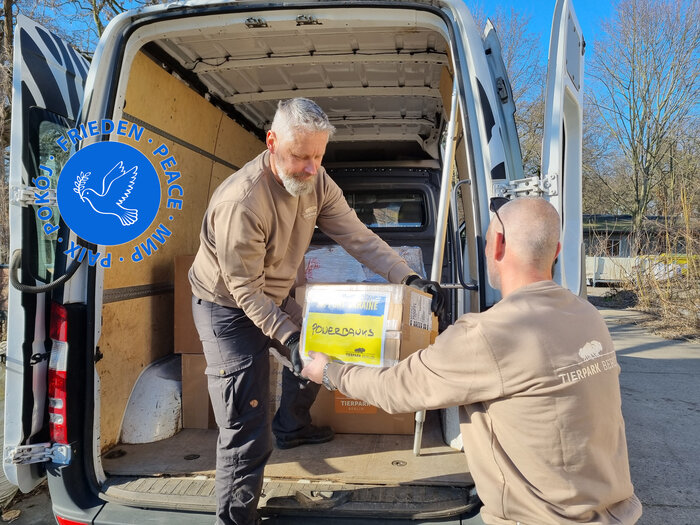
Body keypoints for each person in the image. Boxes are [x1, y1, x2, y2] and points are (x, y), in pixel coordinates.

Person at [303, 197, 643, 525]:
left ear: (498, 245)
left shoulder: (493, 332)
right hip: (614, 512)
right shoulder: (587, 315)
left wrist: (329, 372)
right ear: (555, 252)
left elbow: (396, 389)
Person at [188, 97, 445, 525]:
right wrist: (290, 338)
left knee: (324, 345)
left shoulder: (316, 181)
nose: (310, 168)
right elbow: (245, 291)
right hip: (227, 308)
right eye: (300, 156)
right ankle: (234, 519)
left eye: (318, 156)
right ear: (272, 142)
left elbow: (358, 236)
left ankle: (293, 426)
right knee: (246, 426)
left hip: (272, 294)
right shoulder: (242, 202)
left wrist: (408, 278)